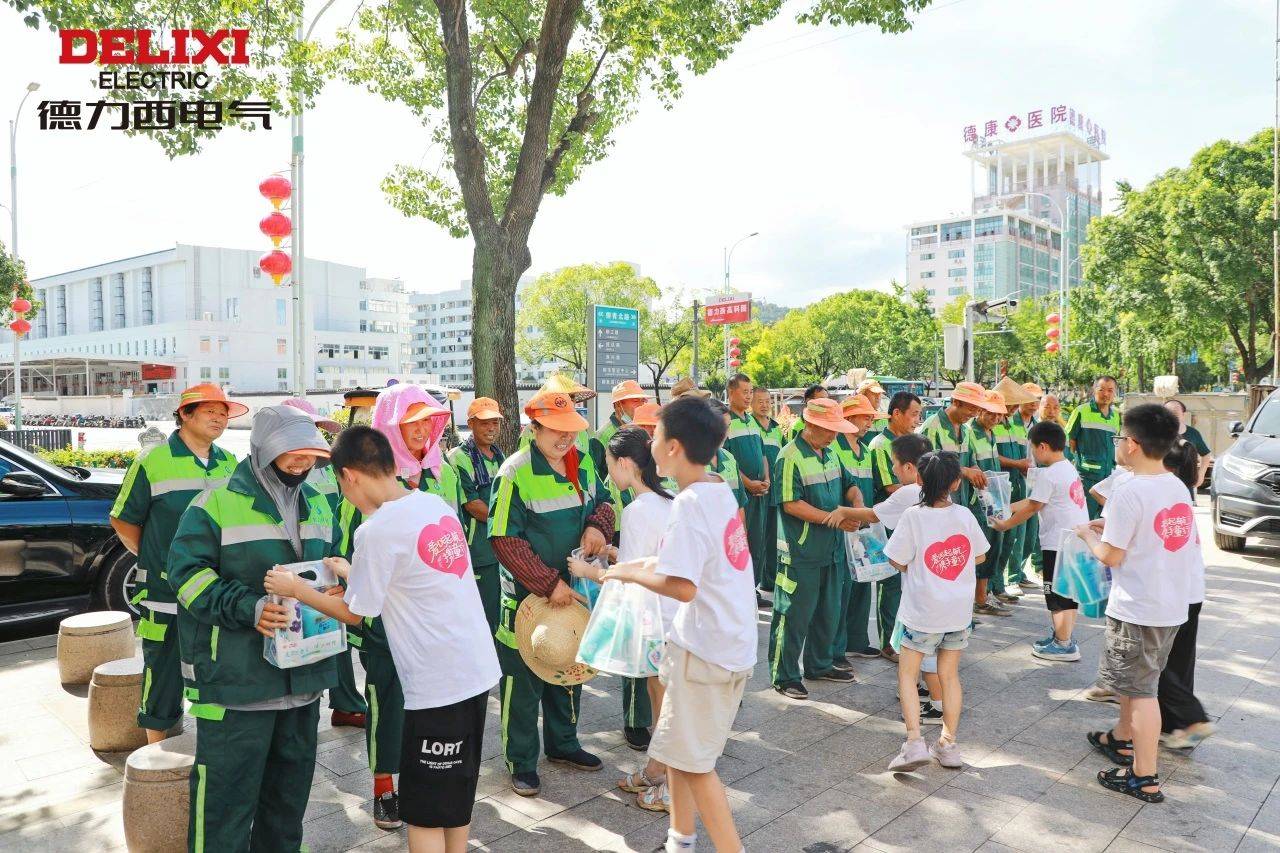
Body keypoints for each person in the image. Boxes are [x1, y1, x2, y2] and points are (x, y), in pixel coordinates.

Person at [264, 425, 500, 853]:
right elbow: (414, 580)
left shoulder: (375, 531)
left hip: (437, 684)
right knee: (457, 793)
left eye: (340, 484)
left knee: (425, 808)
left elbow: (357, 613)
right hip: (477, 669)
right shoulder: (432, 504)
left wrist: (296, 589)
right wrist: (352, 572)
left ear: (349, 476)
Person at [166, 406, 338, 852]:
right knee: (223, 811)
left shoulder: (319, 500)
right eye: (292, 454)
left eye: (309, 454)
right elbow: (185, 576)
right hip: (237, 686)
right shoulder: (215, 502)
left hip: (304, 684)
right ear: (263, 450)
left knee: (286, 809)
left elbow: (327, 568)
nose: (303, 463)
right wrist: (250, 607)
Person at [600, 396, 757, 853]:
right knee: (675, 749)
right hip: (719, 644)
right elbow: (687, 561)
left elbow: (682, 585)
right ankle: (680, 838)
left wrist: (628, 570)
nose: (650, 442)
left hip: (707, 652)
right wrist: (634, 564)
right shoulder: (717, 489)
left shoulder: (689, 503)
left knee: (695, 764)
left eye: (656, 435)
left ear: (672, 447)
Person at [335, 384, 462, 828]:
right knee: (387, 706)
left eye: (430, 420)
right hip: (383, 625)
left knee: (426, 706)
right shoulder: (368, 486)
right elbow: (350, 550)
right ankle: (384, 787)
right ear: (390, 427)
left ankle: (421, 778)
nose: (424, 429)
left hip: (427, 624)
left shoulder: (439, 475)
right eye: (413, 422)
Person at [488, 391, 615, 796]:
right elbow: (505, 539)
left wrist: (599, 526)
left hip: (573, 589)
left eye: (571, 431)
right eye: (556, 431)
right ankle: (521, 760)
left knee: (567, 668)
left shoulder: (584, 463)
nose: (565, 439)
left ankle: (563, 744)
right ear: (534, 428)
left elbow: (606, 503)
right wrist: (548, 583)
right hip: (529, 597)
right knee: (522, 682)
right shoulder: (514, 472)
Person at [109, 383, 243, 744]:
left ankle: (215, 742)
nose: (220, 418)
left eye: (224, 412)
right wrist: (156, 557)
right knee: (163, 669)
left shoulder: (229, 463)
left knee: (215, 664)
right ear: (185, 414)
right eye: (210, 410)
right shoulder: (152, 461)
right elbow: (123, 519)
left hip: (214, 589)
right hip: (163, 591)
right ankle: (155, 752)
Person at [1076, 404, 1196, 804]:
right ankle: (1124, 742)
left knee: (1143, 692)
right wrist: (1108, 529)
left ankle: (1144, 777)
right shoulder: (1174, 486)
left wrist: (1086, 536)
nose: (1118, 444)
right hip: (1169, 605)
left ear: (1132, 444)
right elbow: (1153, 537)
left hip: (1139, 607)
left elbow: (1112, 556)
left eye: (1119, 438)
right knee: (1139, 682)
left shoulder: (1129, 490)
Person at [569, 426, 675, 812]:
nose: (609, 473)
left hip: (657, 619)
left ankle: (669, 787)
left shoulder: (635, 510)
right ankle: (655, 769)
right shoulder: (665, 502)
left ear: (626, 464)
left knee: (663, 705)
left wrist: (587, 572)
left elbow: (631, 573)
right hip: (669, 615)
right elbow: (643, 559)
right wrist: (614, 551)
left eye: (610, 464)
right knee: (657, 694)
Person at [883, 450, 989, 772]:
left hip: (921, 612)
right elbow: (980, 556)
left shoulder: (913, 516)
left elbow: (896, 559)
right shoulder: (965, 516)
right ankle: (948, 744)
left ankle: (914, 742)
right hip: (957, 613)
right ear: (956, 482)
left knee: (907, 674)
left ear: (918, 480)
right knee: (950, 676)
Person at [282, 396, 369, 729]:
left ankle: (345, 701)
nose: (316, 439)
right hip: (299, 571)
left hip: (334, 562)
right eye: (310, 429)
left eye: (318, 429)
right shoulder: (286, 472)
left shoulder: (329, 469)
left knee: (337, 630)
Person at [769, 397, 862, 699]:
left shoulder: (831, 452)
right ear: (809, 424)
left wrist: (856, 505)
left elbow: (850, 484)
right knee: (793, 614)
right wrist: (834, 520)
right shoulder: (790, 456)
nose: (834, 435)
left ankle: (819, 664)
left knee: (828, 611)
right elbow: (790, 504)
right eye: (828, 429)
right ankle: (784, 675)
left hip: (831, 551)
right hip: (800, 552)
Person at [990, 420, 1089, 661]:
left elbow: (1033, 506)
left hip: (1058, 543)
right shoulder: (1067, 467)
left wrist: (1005, 523)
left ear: (1043, 447)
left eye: (1032, 448)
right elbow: (1036, 500)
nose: (1032, 454)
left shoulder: (1050, 474)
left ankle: (1063, 644)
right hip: (1075, 540)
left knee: (1055, 596)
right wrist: (1006, 507)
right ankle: (1063, 637)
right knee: (1069, 594)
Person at [1155, 438, 1214, 750]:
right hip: (1192, 590)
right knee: (1179, 660)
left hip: (1175, 594)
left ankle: (1193, 718)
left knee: (1152, 662)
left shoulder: (1166, 496)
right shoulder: (1183, 498)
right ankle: (1175, 726)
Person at [866, 391, 923, 662]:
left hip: (911, 518)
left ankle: (906, 636)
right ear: (896, 413)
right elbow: (891, 487)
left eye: (919, 415)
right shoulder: (881, 444)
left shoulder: (911, 442)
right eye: (913, 414)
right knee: (890, 583)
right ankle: (889, 641)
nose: (916, 420)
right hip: (890, 519)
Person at [448, 397, 507, 633]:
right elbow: (472, 505)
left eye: (495, 422)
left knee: (499, 614)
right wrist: (508, 520)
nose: (491, 428)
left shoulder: (500, 455)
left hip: (501, 548)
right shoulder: (458, 457)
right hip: (479, 552)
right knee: (482, 616)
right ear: (471, 424)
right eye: (484, 423)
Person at [829, 395, 878, 668]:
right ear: (847, 419)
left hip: (863, 526)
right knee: (842, 589)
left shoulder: (865, 449)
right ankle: (837, 648)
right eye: (864, 417)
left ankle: (857, 641)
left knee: (862, 583)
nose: (869, 423)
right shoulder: (834, 448)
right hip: (843, 527)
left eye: (871, 418)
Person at [964, 390, 1012, 617]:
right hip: (978, 500)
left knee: (995, 545)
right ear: (980, 410)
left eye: (999, 415)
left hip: (994, 499)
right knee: (981, 547)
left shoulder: (991, 433)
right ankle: (977, 598)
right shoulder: (970, 433)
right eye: (991, 413)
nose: (995, 418)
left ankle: (984, 595)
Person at [990, 378, 1040, 597]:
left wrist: (1024, 466)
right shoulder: (989, 426)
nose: (1009, 411)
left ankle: (1002, 584)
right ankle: (996, 586)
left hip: (1017, 486)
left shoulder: (1016, 425)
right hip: (998, 490)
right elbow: (991, 458)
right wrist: (1016, 464)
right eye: (1007, 407)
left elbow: (1024, 456)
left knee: (1015, 539)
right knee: (999, 540)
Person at [724, 374, 771, 595]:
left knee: (758, 541)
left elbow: (762, 455)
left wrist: (766, 478)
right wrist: (748, 484)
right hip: (741, 496)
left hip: (760, 492)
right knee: (740, 541)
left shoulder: (751, 421)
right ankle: (742, 590)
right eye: (745, 392)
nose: (749, 396)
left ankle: (752, 588)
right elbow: (727, 461)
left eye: (750, 392)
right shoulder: (726, 422)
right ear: (731, 392)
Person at [1066, 376, 1122, 519]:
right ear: (1094, 390)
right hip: (1086, 477)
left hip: (1108, 477)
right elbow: (1069, 440)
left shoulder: (1115, 416)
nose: (1106, 394)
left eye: (1110, 390)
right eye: (1101, 389)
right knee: (1083, 518)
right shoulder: (1081, 411)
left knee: (1103, 522)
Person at [751, 386, 784, 594]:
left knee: (773, 536)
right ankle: (754, 582)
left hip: (775, 488)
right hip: (757, 488)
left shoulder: (776, 427)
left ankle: (769, 580)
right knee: (758, 536)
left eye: (767, 401)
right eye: (760, 401)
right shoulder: (749, 425)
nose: (765, 405)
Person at [591, 379, 650, 475]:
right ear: (618, 405)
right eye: (635, 400)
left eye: (643, 400)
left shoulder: (641, 430)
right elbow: (595, 476)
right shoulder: (602, 436)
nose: (641, 405)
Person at [705, 398, 747, 509]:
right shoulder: (690, 462)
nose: (725, 433)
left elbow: (740, 506)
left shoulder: (729, 458)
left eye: (728, 426)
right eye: (720, 427)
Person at [1164, 399, 1213, 492]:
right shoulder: (1155, 434)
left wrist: (1201, 474)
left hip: (1186, 485)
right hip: (1162, 484)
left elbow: (1206, 454)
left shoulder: (1193, 433)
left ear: (1183, 415)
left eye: (1175, 413)